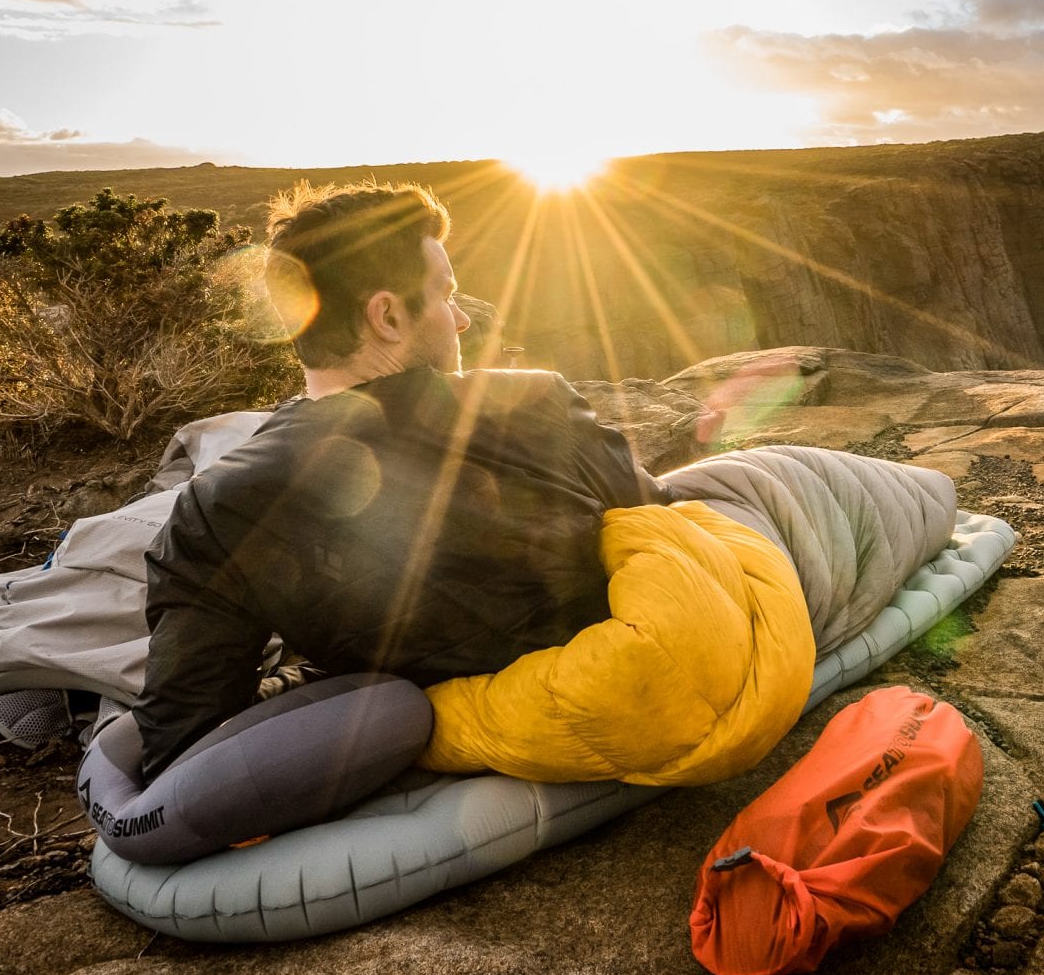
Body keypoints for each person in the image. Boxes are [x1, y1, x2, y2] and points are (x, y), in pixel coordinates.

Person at [132, 182, 655, 783]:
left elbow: (181, 741)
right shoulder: (537, 401)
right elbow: (667, 535)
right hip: (629, 690)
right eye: (448, 297)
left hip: (438, 739)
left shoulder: (217, 502)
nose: (461, 319)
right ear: (387, 315)